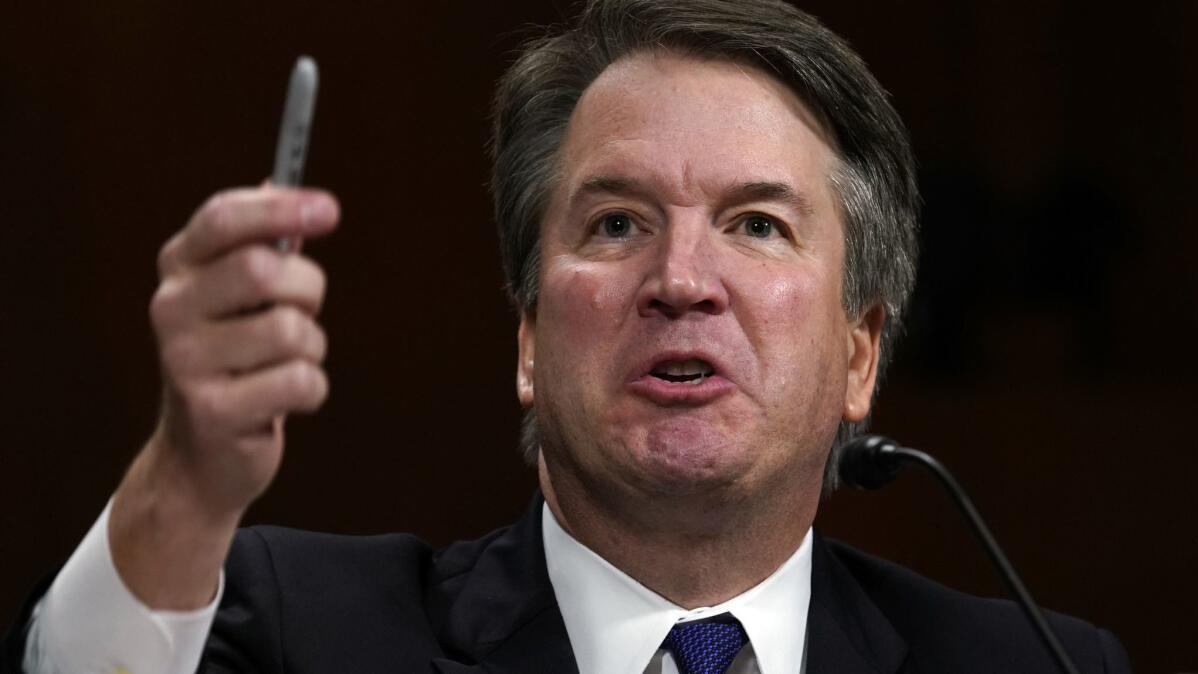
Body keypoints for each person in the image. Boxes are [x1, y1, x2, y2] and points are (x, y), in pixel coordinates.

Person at [5, 1, 1131, 672]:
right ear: (530, 338)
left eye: (756, 223)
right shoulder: (305, 631)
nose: (681, 280)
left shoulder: (1036, 661)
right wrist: (183, 488)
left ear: (859, 353)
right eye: (616, 222)